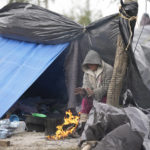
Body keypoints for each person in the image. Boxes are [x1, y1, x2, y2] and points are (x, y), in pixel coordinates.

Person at [75, 50, 113, 134]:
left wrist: (94, 92)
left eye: (91, 64)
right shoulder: (87, 71)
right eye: (88, 64)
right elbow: (86, 84)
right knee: (85, 102)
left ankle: (100, 129)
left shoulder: (108, 69)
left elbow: (106, 87)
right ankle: (83, 127)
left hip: (105, 96)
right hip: (91, 95)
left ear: (97, 63)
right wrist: (84, 90)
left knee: (102, 108)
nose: (89, 66)